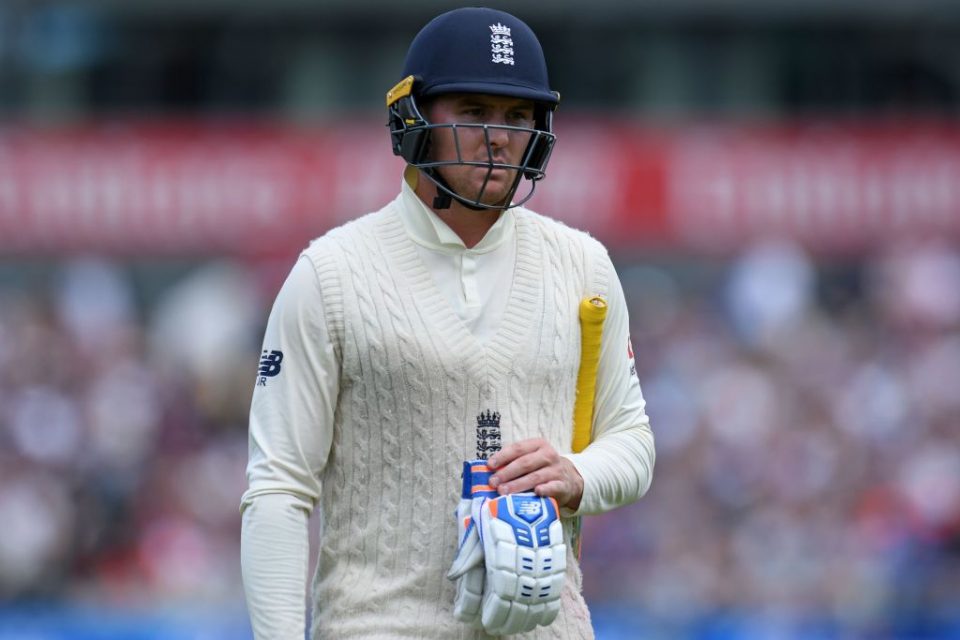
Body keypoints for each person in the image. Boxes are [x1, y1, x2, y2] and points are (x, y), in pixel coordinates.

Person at [240, 7, 655, 639]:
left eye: (518, 117)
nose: (498, 136)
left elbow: (633, 440)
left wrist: (579, 474)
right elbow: (278, 489)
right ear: (414, 119)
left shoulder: (584, 267)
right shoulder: (330, 275)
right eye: (473, 110)